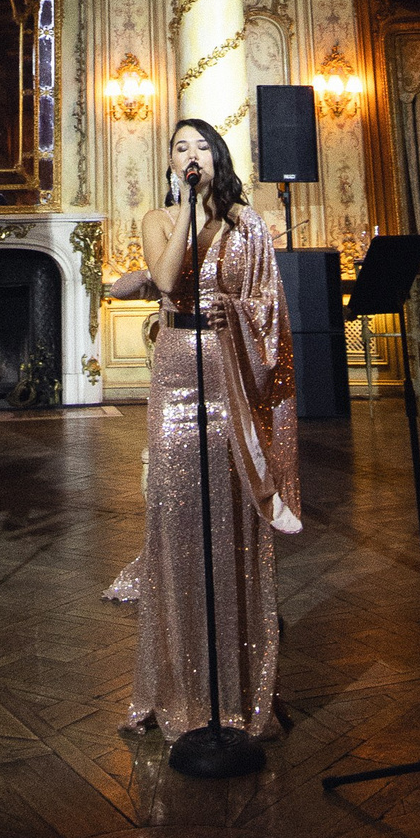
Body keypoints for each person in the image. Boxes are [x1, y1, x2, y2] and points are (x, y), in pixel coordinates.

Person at [114, 119, 301, 740]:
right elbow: (167, 281)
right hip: (175, 372)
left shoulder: (248, 225)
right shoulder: (158, 220)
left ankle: (242, 683)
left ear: (217, 158)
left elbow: (268, 308)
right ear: (172, 164)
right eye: (180, 148)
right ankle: (179, 685)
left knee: (231, 514)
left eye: (201, 146)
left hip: (230, 369)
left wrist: (238, 313)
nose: (191, 154)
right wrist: (190, 213)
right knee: (177, 514)